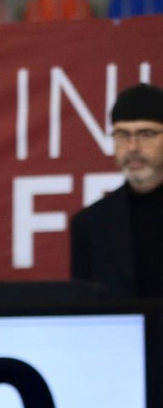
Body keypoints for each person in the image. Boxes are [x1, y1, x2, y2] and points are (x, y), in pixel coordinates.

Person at [71, 82, 163, 299]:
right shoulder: (90, 223)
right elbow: (86, 310)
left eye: (146, 134)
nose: (132, 147)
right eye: (121, 135)